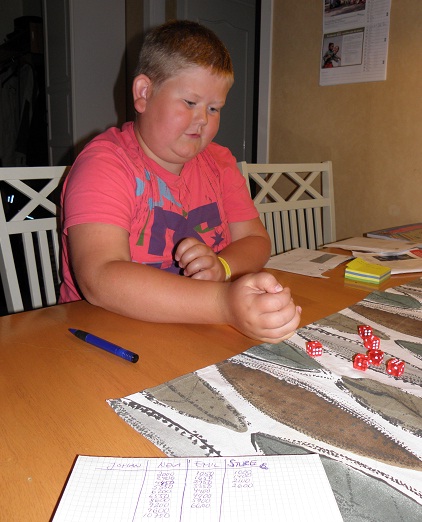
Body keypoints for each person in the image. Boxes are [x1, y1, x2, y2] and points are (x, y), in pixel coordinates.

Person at [59, 20, 301, 343]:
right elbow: (100, 277)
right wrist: (222, 303)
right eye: (190, 103)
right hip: (105, 337)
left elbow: (257, 240)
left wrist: (223, 267)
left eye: (214, 108)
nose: (202, 120)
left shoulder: (220, 163)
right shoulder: (104, 164)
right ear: (144, 93)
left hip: (194, 332)